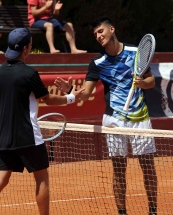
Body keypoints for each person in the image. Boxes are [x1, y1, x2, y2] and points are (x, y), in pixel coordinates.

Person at [54, 16, 158, 215]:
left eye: (100, 31)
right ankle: (121, 212)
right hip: (113, 120)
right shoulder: (97, 63)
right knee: (119, 169)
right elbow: (86, 92)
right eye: (95, 35)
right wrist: (71, 91)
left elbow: (151, 81)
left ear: (111, 29)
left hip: (139, 117)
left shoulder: (135, 52)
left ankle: (153, 211)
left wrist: (142, 84)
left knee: (147, 166)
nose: (98, 36)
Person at [0, 27, 84, 215]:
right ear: (26, 48)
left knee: (1, 177)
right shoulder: (29, 73)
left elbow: (0, 103)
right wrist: (71, 97)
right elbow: (47, 99)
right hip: (28, 137)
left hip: (5, 136)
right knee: (41, 178)